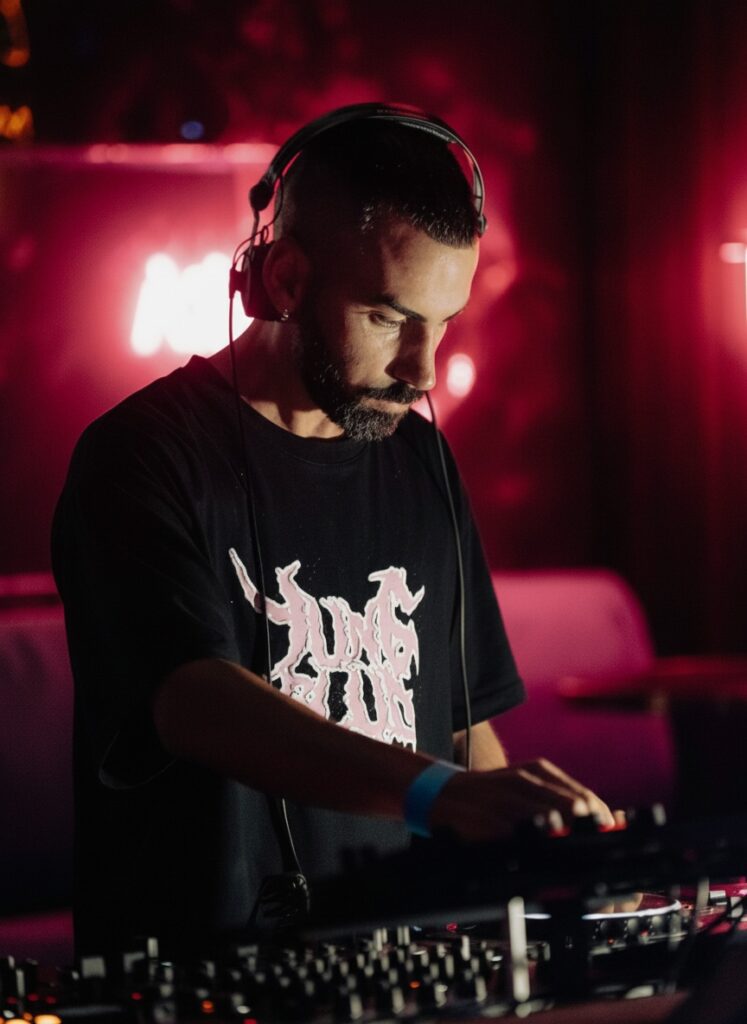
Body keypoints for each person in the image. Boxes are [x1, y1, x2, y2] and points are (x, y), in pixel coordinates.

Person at [52, 106, 613, 956]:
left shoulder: (421, 459)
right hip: (209, 980)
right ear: (282, 279)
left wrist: (549, 861)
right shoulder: (141, 456)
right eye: (389, 318)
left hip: (407, 975)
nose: (422, 369)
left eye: (443, 323)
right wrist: (437, 796)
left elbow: (459, 729)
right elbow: (192, 698)